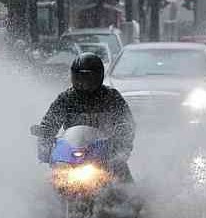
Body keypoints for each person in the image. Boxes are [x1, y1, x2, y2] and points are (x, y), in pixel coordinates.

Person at [37, 53, 135, 182]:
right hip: (71, 155)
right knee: (49, 184)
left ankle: (133, 199)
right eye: (79, 77)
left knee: (126, 186)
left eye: (88, 78)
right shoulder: (66, 98)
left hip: (105, 154)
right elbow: (49, 123)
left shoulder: (111, 97)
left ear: (98, 76)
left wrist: (121, 142)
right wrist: (45, 142)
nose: (83, 82)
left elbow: (126, 121)